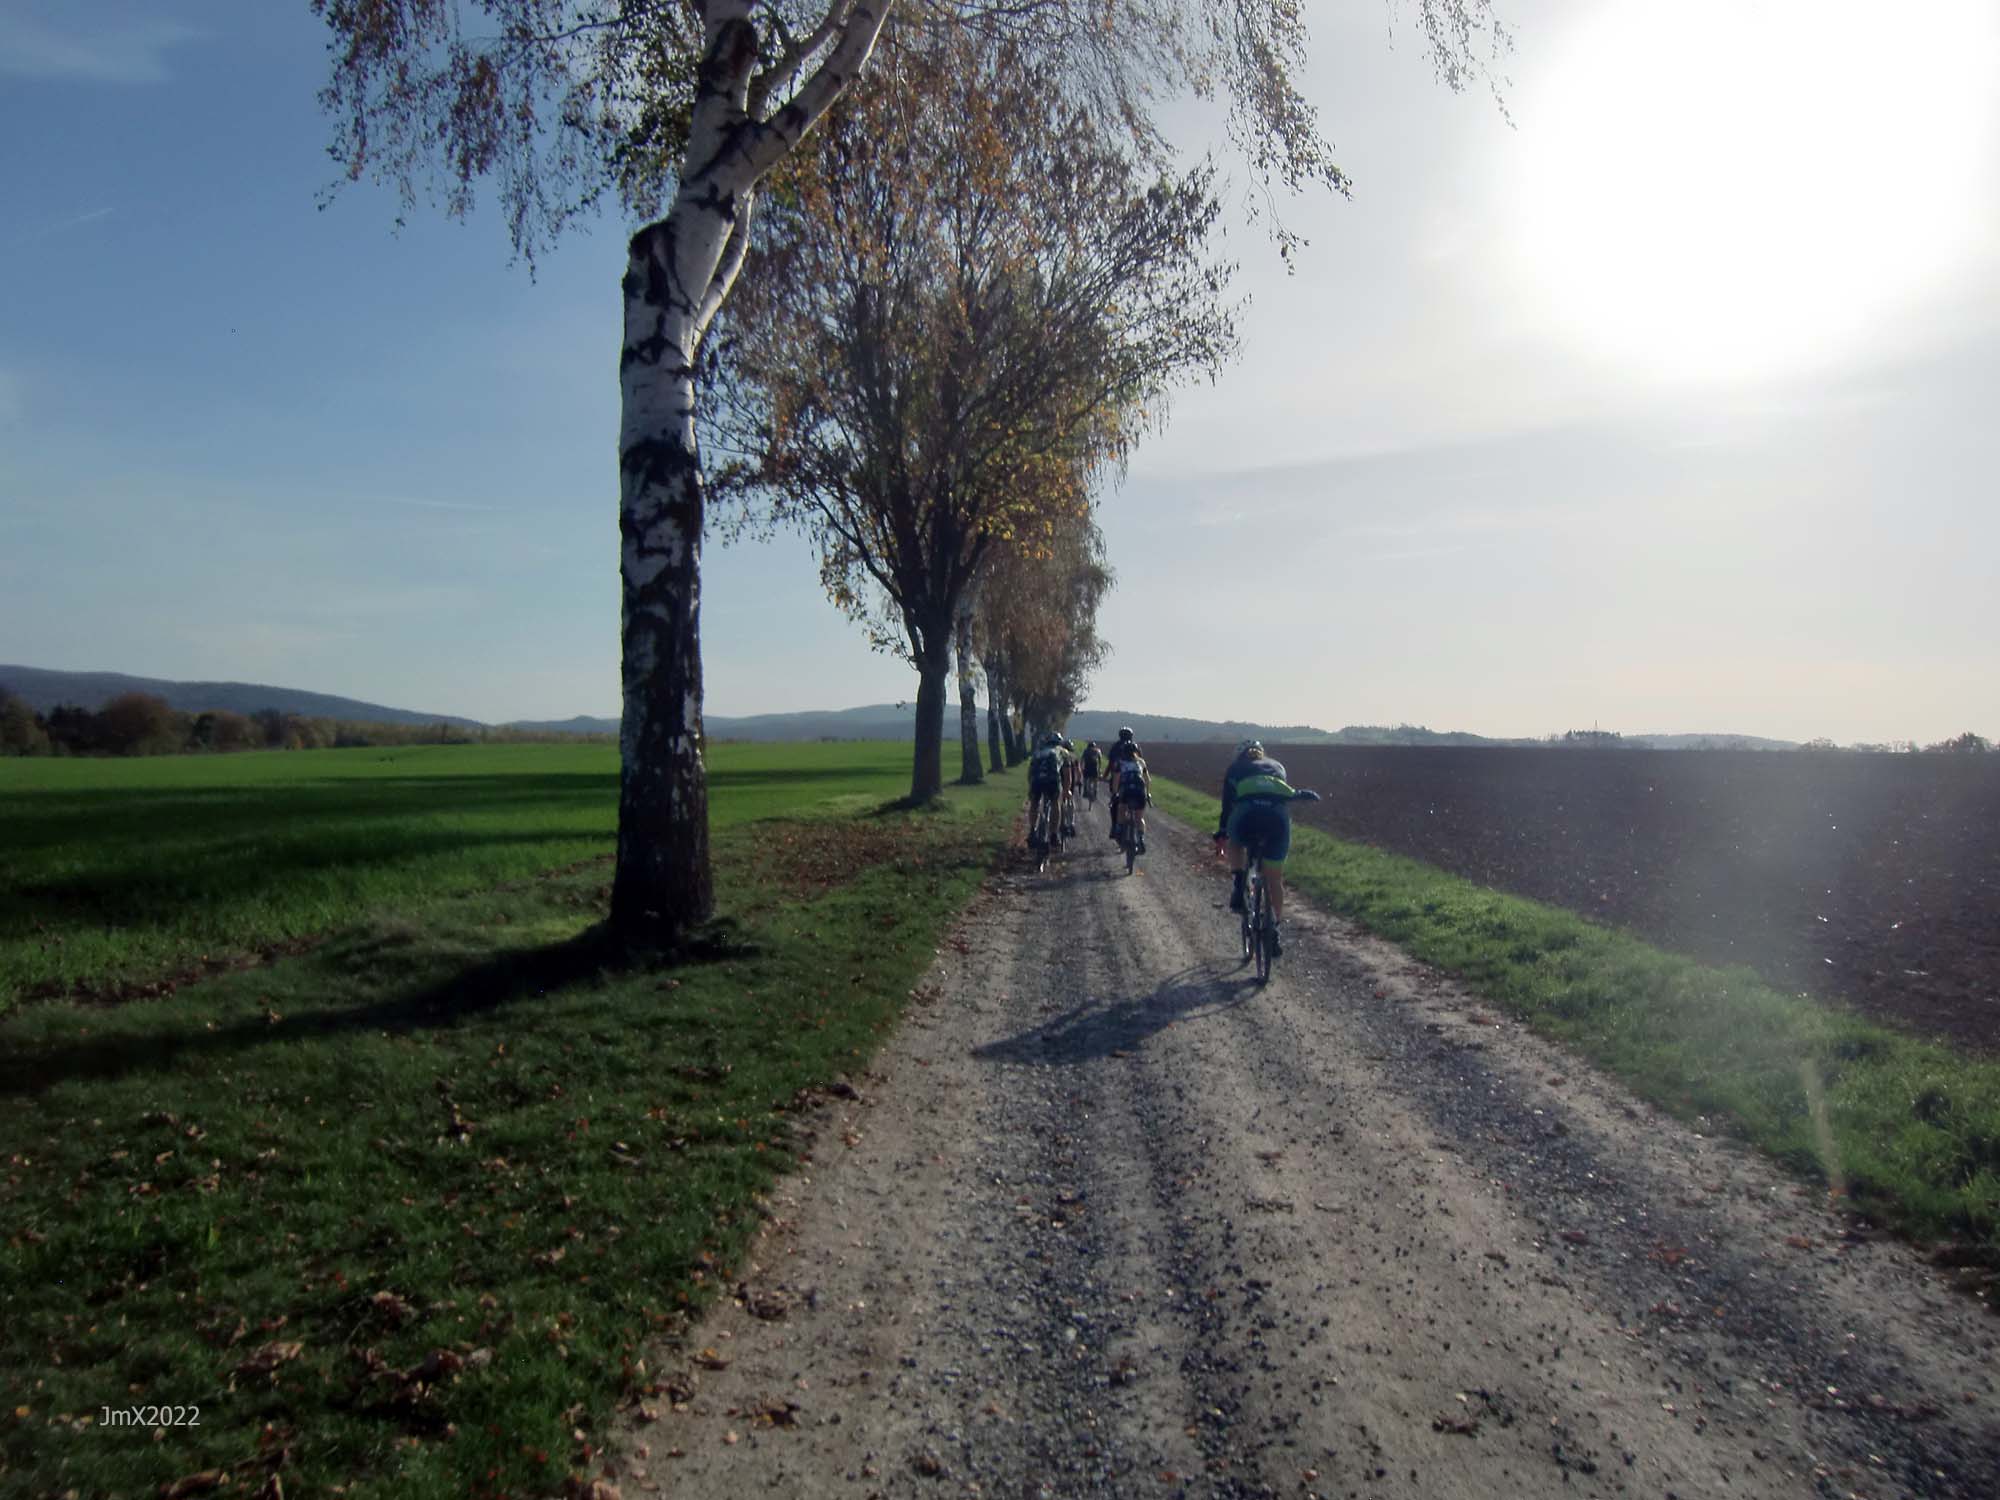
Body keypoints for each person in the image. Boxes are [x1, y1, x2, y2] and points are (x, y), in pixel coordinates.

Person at [1211, 739, 1315, 956]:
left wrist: (1222, 833)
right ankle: (1274, 928)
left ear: (1239, 755)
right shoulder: (1277, 766)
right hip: (1276, 820)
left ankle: (1239, 885)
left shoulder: (1235, 768)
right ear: (1262, 753)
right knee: (1274, 879)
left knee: (1235, 842)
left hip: (1246, 816)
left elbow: (1227, 806)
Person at [1104, 726, 1149, 852]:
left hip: (1123, 784)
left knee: (1117, 807)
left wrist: (1113, 791)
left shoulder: (1116, 748)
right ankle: (1140, 839)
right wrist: (1148, 793)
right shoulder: (1137, 750)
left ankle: (1117, 829)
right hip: (1139, 788)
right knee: (1139, 818)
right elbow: (1146, 777)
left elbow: (1111, 766)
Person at [1026, 731, 1073, 847]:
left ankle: (1032, 830)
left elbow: (1030, 773)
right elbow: (1067, 775)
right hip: (1052, 780)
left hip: (1036, 780)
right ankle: (1053, 834)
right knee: (1055, 803)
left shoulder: (1038, 752)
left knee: (1034, 803)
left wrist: (1031, 789)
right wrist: (1066, 790)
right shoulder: (1063, 752)